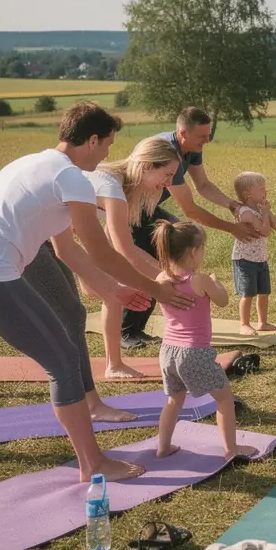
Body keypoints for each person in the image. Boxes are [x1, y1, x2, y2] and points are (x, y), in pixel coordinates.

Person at [0, 102, 193, 482]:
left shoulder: (29, 163)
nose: (106, 155)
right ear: (92, 139)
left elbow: (67, 250)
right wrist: (156, 290)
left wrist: (112, 290)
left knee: (63, 354)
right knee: (64, 361)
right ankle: (93, 463)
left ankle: (93, 460)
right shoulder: (72, 178)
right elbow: (101, 250)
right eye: (105, 146)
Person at [121, 106, 260, 349]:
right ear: (182, 133)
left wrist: (234, 206)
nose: (207, 140)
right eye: (202, 136)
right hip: (130, 212)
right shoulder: (168, 154)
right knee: (156, 262)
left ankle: (178, 313)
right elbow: (190, 209)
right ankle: (128, 331)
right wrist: (232, 228)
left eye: (208, 135)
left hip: (150, 210)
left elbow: (203, 185)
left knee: (179, 243)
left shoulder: (191, 149)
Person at [153, 221, 256, 461]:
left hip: (168, 351)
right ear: (193, 251)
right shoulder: (199, 279)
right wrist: (216, 282)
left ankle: (163, 447)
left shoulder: (161, 278)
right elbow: (222, 300)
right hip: (194, 353)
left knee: (174, 400)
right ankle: (231, 449)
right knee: (224, 398)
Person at [84, 135, 181, 378]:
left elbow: (114, 245)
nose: (169, 183)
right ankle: (103, 369)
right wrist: (166, 278)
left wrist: (164, 275)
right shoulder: (111, 187)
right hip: (39, 238)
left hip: (62, 237)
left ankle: (113, 365)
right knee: (85, 303)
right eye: (167, 174)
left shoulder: (120, 190)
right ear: (148, 166)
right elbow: (127, 251)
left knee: (111, 292)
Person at [231, 171, 276, 336]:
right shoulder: (246, 212)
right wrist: (265, 214)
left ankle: (262, 322)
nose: (265, 192)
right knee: (248, 293)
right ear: (248, 194)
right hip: (245, 259)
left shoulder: (260, 209)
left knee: (264, 292)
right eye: (261, 189)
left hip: (260, 258)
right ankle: (244, 324)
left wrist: (268, 212)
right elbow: (265, 231)